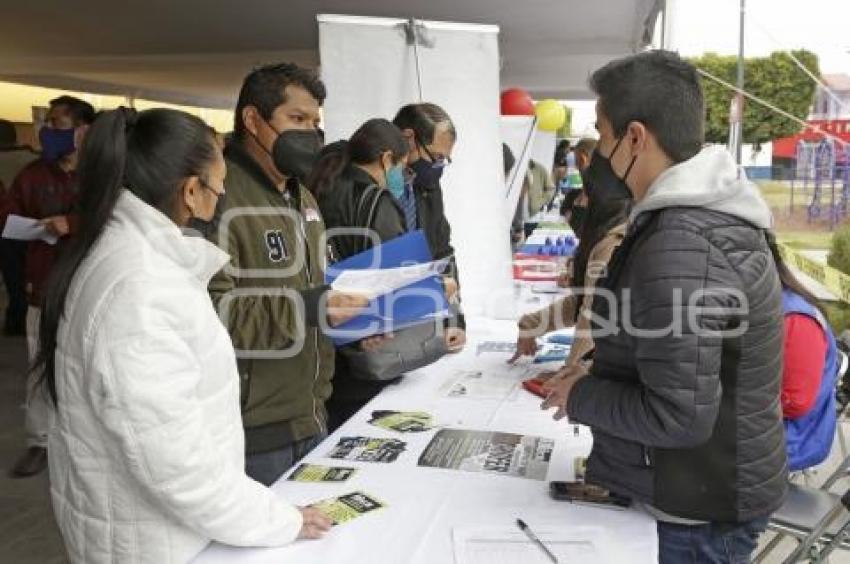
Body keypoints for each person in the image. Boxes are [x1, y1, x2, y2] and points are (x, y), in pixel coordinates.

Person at [36, 107, 332, 564]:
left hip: (154, 530)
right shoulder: (141, 289)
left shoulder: (128, 259)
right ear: (191, 192)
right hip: (156, 544)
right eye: (219, 185)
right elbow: (173, 463)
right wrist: (278, 519)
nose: (222, 195)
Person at [542, 50, 786, 562]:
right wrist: (594, 369)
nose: (598, 154)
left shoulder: (682, 242)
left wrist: (582, 395)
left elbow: (678, 415)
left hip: (696, 509)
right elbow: (671, 349)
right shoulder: (690, 219)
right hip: (701, 488)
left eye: (602, 134)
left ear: (634, 138)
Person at [208, 62, 367, 486]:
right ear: (253, 120)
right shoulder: (219, 197)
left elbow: (316, 291)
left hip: (312, 411)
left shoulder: (304, 196)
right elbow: (212, 316)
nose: (312, 134)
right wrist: (311, 308)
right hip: (255, 430)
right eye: (297, 119)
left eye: (316, 122)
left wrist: (359, 321)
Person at [308, 118, 460, 430]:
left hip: (323, 339)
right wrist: (436, 289)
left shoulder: (320, 189)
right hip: (368, 344)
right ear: (386, 158)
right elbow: (396, 278)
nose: (403, 179)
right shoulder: (377, 202)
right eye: (403, 168)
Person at [1, 96, 95, 478]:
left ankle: (85, 444)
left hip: (87, 289)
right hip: (43, 286)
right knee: (41, 367)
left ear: (82, 131)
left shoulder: (99, 175)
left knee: (89, 369)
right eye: (48, 122)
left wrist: (71, 224)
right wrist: (36, 226)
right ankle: (40, 442)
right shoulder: (31, 175)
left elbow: (111, 216)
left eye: (57, 123)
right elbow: (7, 215)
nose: (48, 131)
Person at [510, 148, 632, 386]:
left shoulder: (611, 243)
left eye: (584, 196)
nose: (578, 203)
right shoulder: (601, 238)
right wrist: (531, 324)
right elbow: (581, 301)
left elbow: (592, 311)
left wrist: (572, 373)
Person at [392, 103, 466, 351]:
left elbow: (442, 252)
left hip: (420, 325)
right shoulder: (373, 190)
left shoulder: (429, 187)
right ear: (409, 139)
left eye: (444, 160)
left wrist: (454, 320)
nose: (438, 167)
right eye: (435, 157)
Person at [766, 235, 839, 472]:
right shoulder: (756, 306)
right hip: (757, 429)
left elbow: (795, 402)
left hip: (791, 440)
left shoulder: (797, 318)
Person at [0, 119, 37, 336]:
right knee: (23, 278)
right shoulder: (34, 160)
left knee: (13, 279)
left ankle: (15, 320)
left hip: (6, 229)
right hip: (33, 229)